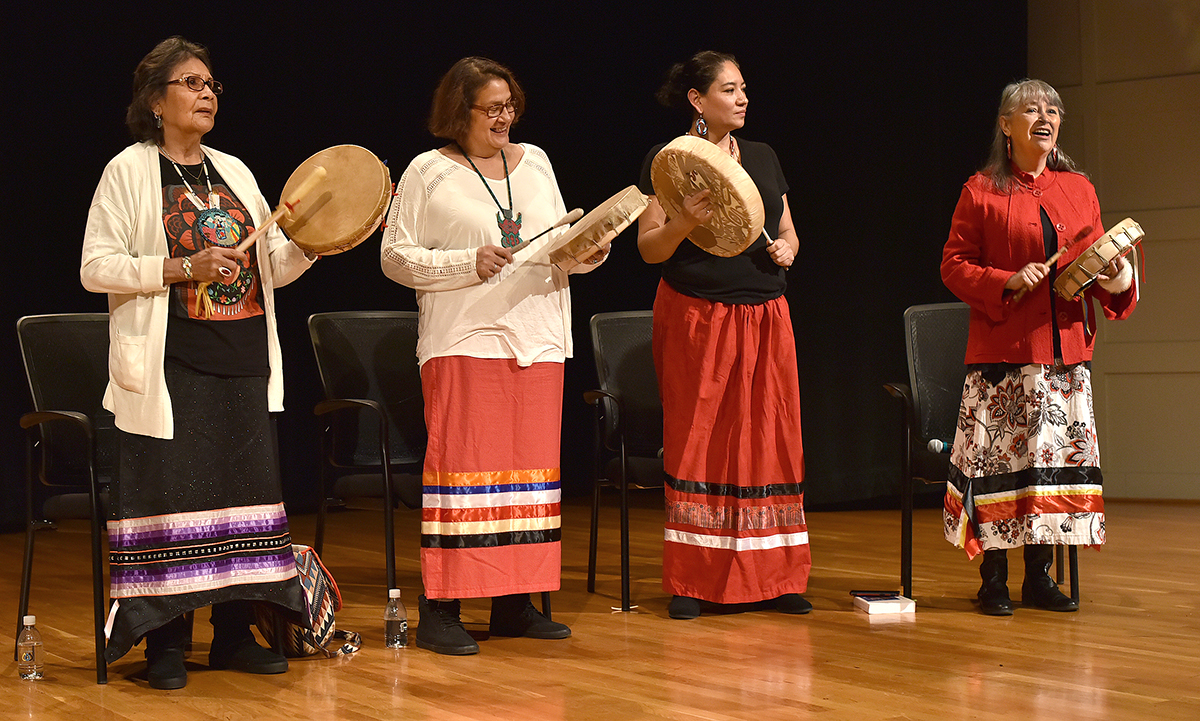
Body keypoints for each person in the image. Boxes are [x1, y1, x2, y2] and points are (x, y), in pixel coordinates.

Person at [80, 37, 315, 688]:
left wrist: (319, 240)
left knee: (241, 500)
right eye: (191, 82)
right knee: (171, 501)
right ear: (156, 100)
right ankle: (165, 645)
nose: (207, 93)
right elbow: (94, 267)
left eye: (212, 84)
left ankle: (236, 634)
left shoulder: (235, 171)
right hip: (170, 365)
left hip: (243, 360)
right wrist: (183, 266)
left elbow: (267, 265)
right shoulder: (129, 172)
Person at [381, 56, 604, 655]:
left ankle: (513, 603)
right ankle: (443, 608)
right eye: (492, 108)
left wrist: (588, 252)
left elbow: (555, 245)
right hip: (465, 340)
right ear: (460, 112)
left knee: (524, 481)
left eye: (510, 106)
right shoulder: (427, 171)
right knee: (463, 476)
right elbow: (395, 259)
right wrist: (464, 263)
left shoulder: (537, 162)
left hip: (538, 338)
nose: (505, 117)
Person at [941, 78, 1136, 616]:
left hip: (1063, 352)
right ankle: (994, 579)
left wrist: (1113, 272)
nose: (1045, 117)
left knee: (1050, 467)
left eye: (1053, 109)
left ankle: (1040, 577)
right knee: (1002, 465)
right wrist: (1005, 278)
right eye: (1031, 109)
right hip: (1003, 354)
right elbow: (953, 266)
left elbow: (1093, 263)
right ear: (1006, 124)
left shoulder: (1079, 189)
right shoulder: (980, 190)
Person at [636, 51, 812, 620]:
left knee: (771, 437)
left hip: (765, 313)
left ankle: (778, 577)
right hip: (697, 314)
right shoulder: (669, 163)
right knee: (701, 437)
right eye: (729, 89)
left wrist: (789, 248)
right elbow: (649, 248)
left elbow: (786, 230)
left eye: (743, 88)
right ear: (697, 100)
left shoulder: (761, 155)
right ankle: (694, 580)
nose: (742, 98)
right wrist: (684, 221)